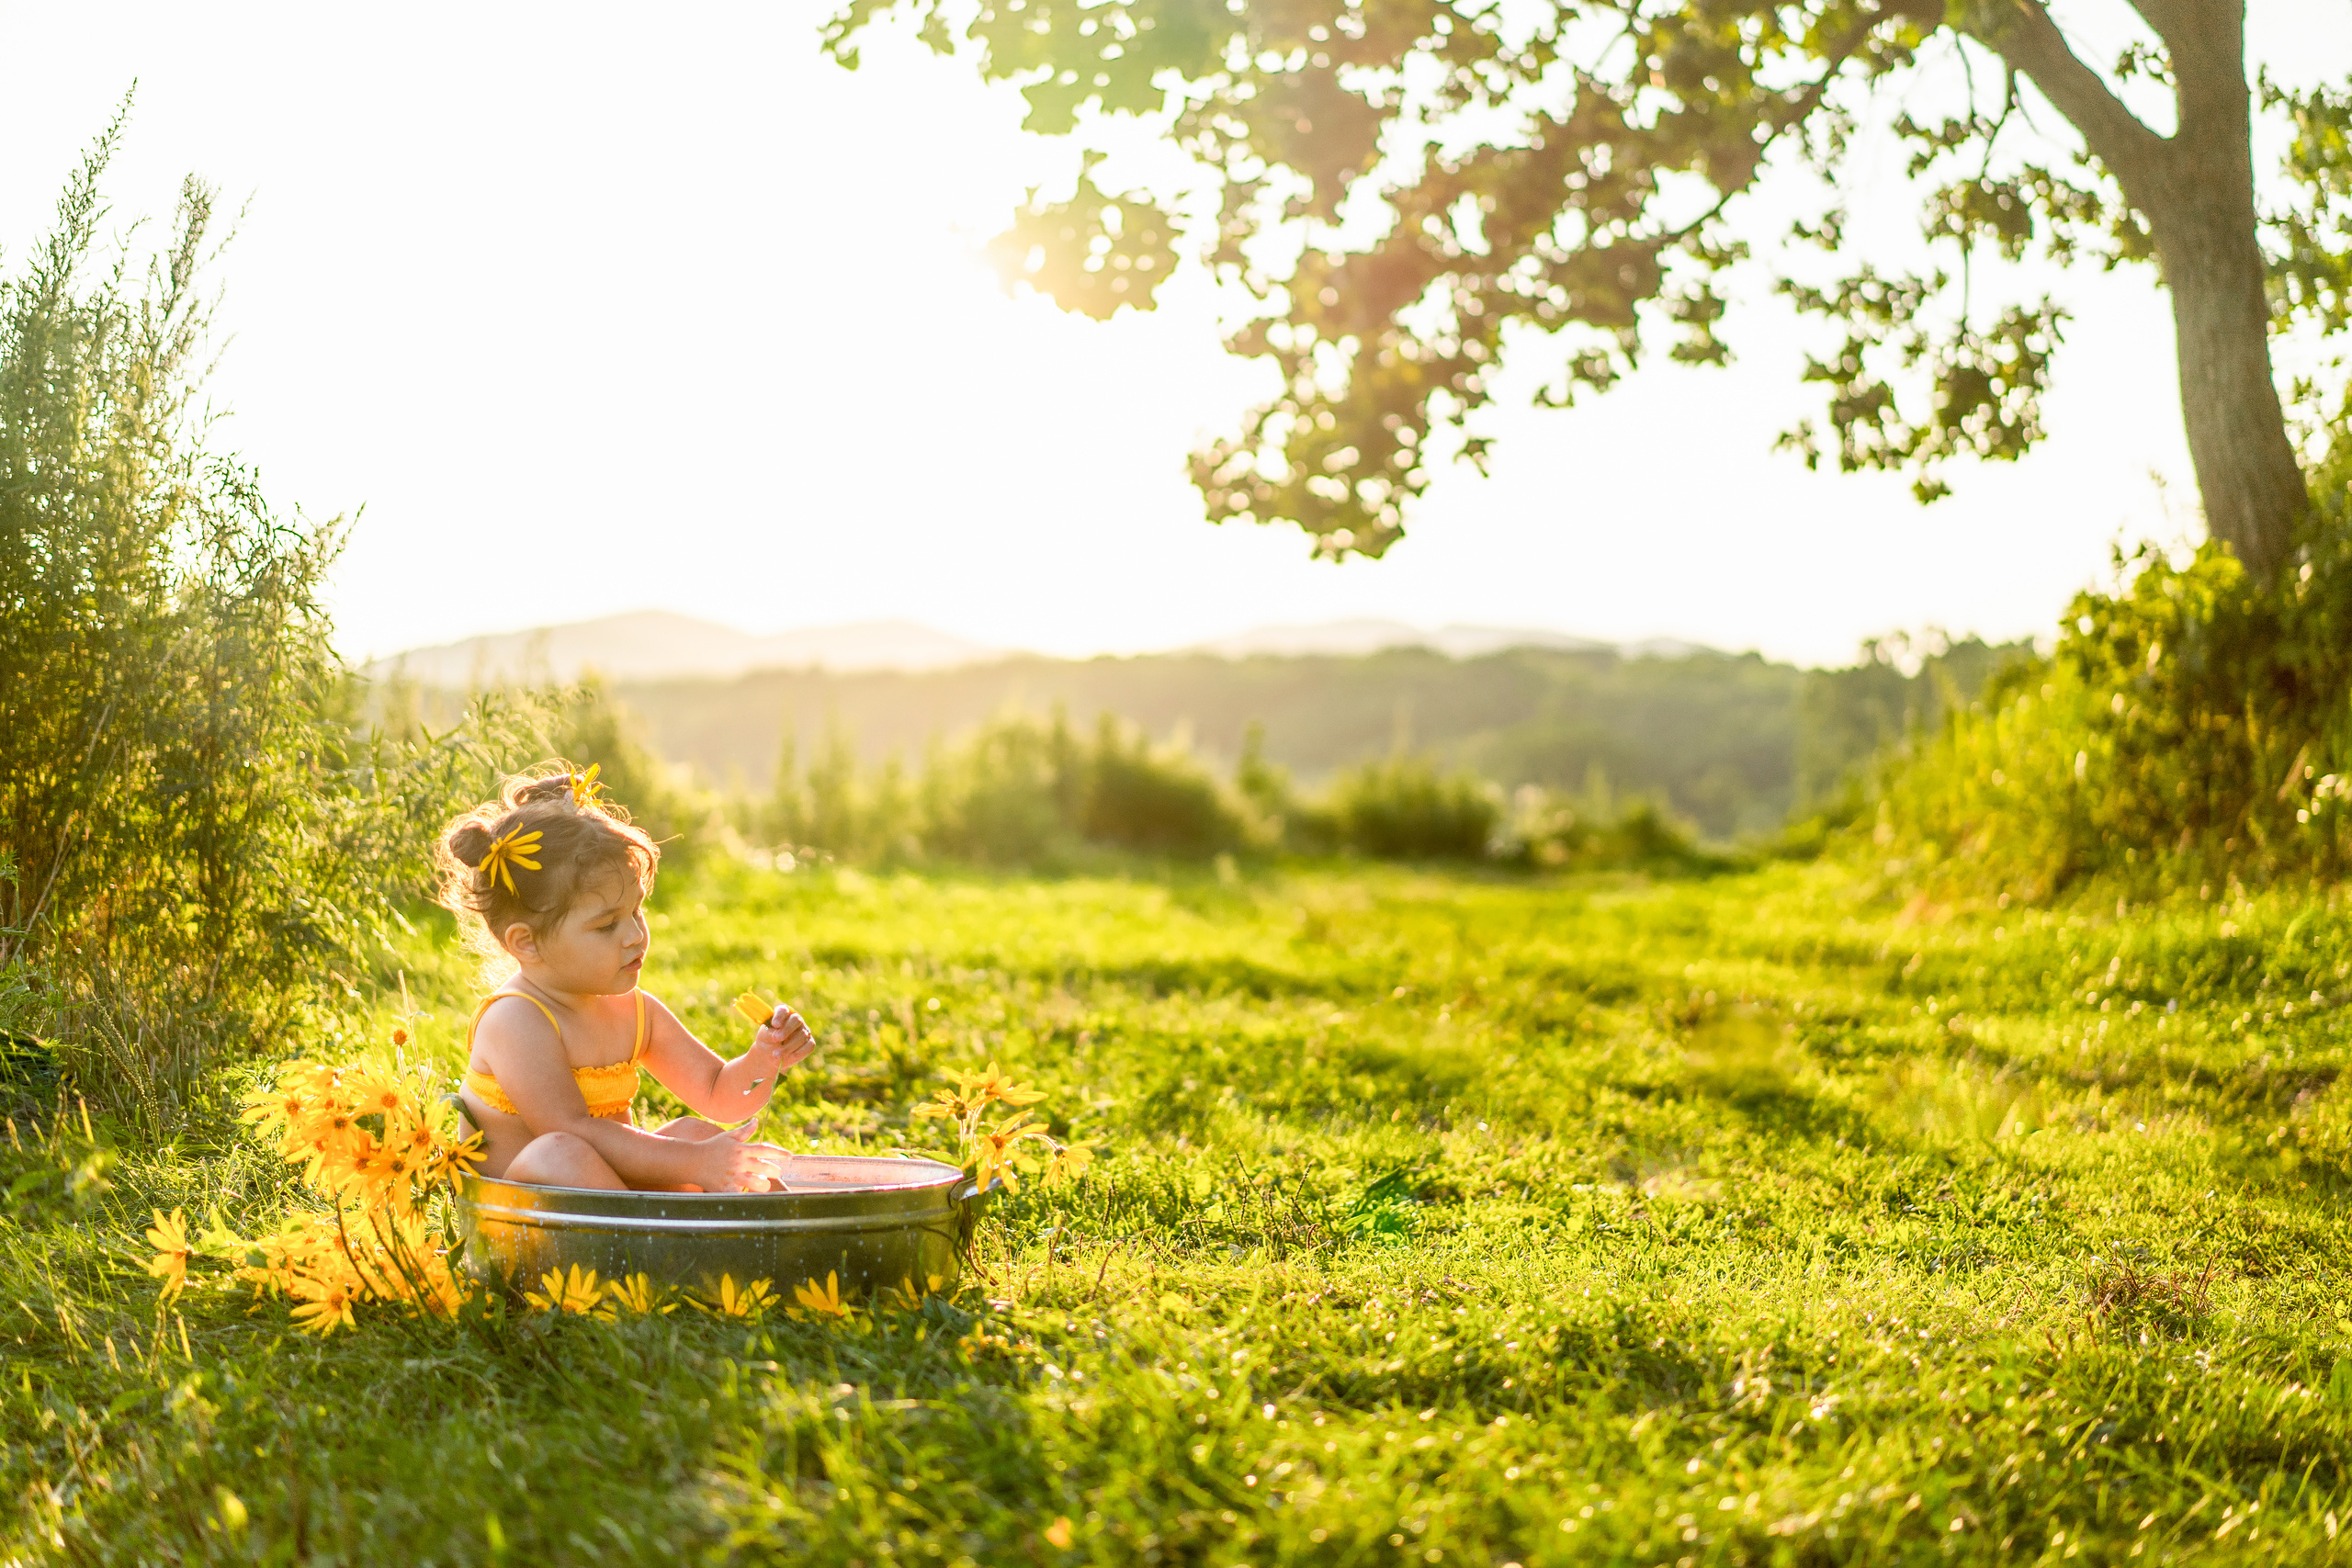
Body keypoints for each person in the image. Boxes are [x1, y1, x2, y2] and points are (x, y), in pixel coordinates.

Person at [435, 763, 811, 1191]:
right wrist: (692, 1164)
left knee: (694, 1133)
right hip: (522, 1211)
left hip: (610, 1199)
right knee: (559, 1151)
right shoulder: (515, 1020)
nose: (635, 935)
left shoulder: (635, 1012)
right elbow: (572, 1130)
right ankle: (664, 1230)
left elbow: (717, 1093)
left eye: (636, 911)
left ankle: (788, 1225)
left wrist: (763, 1059)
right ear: (527, 943)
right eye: (606, 925)